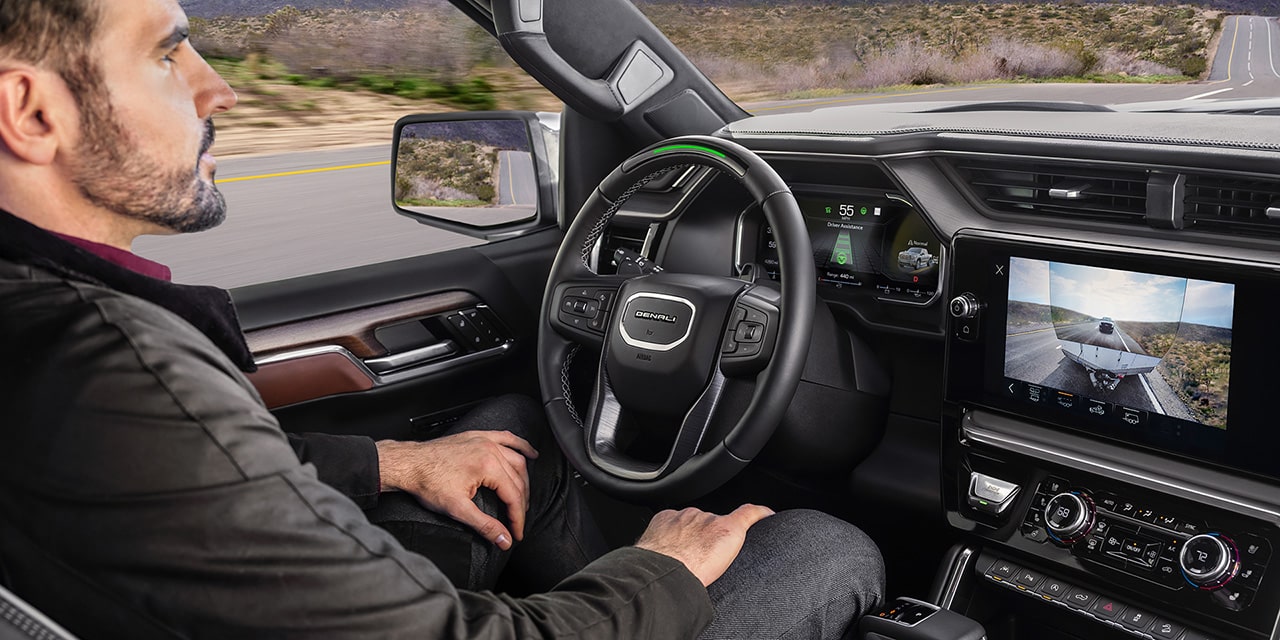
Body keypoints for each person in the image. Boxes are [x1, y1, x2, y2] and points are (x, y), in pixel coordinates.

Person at [0, 0, 885, 637]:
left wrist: (393, 459)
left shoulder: (52, 331)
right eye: (167, 54)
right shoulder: (112, 369)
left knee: (511, 437)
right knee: (821, 546)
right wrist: (661, 571)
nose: (216, 89)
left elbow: (199, 482)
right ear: (31, 110)